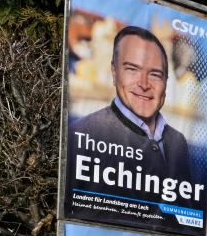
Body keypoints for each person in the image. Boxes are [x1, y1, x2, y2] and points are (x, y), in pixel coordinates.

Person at [68, 26, 197, 204]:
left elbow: (185, 213)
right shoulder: (82, 133)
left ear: (166, 82)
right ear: (114, 72)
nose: (144, 84)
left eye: (155, 74)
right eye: (132, 69)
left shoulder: (178, 142)